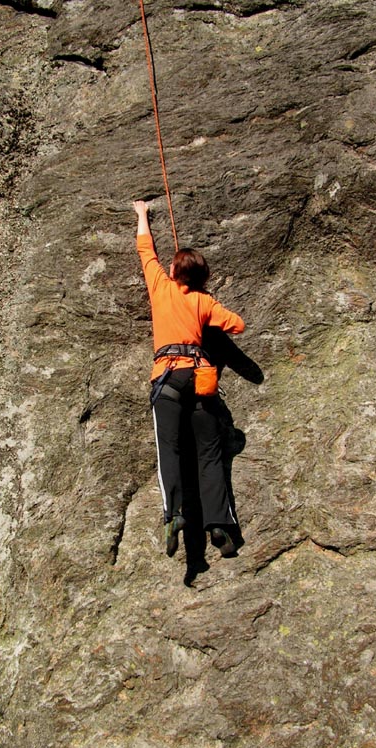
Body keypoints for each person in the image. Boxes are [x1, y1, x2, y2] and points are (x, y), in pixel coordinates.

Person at [134, 200, 246, 559]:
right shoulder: (204, 302)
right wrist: (208, 305)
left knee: (170, 450)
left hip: (166, 378)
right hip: (200, 379)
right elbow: (238, 325)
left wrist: (141, 214)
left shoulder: (161, 288)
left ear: (173, 270)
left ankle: (175, 516)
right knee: (210, 455)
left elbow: (145, 249)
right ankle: (219, 524)